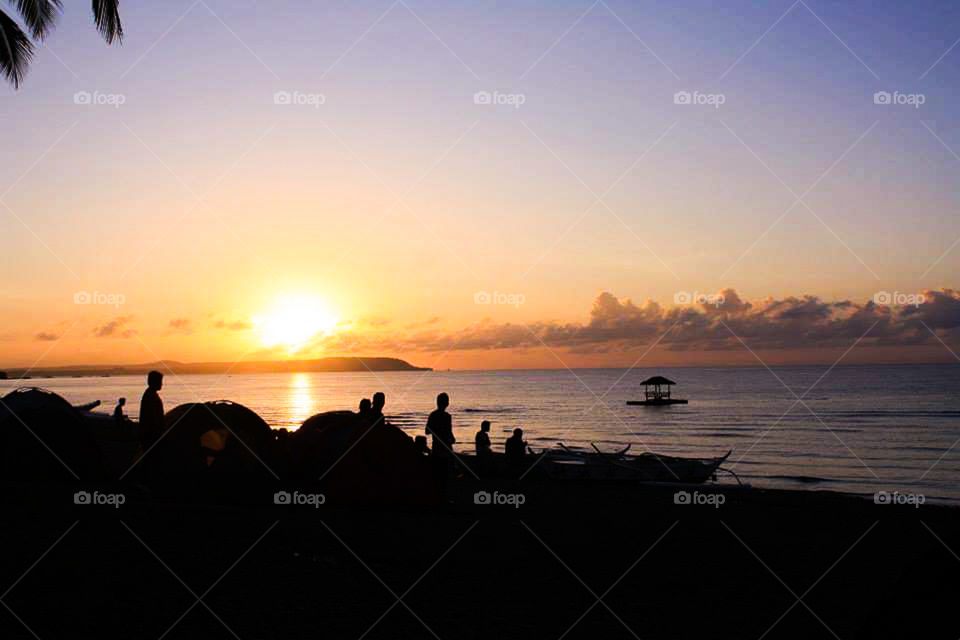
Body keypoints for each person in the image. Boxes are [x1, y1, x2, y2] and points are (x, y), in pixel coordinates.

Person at [425, 393, 455, 493]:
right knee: (444, 474)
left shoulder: (433, 415)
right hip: (444, 448)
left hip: (437, 447)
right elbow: (449, 433)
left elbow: (427, 431)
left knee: (438, 474)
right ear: (447, 403)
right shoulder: (447, 417)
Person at [139, 370, 165, 447]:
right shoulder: (150, 396)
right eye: (160, 381)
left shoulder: (151, 394)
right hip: (151, 434)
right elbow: (153, 417)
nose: (162, 384)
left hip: (151, 434)